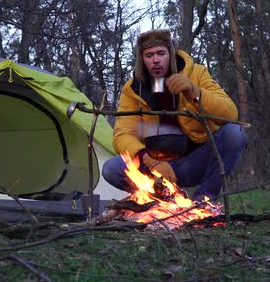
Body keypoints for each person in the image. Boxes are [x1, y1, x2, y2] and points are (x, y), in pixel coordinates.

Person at [102, 29, 246, 201]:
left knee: (234, 133)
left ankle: (204, 201)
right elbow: (122, 134)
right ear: (142, 60)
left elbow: (230, 112)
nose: (155, 60)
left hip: (195, 161)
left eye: (161, 53)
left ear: (171, 54)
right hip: (155, 166)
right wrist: (150, 160)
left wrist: (195, 92)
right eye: (149, 55)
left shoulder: (196, 73)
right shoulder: (132, 90)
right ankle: (163, 201)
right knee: (112, 168)